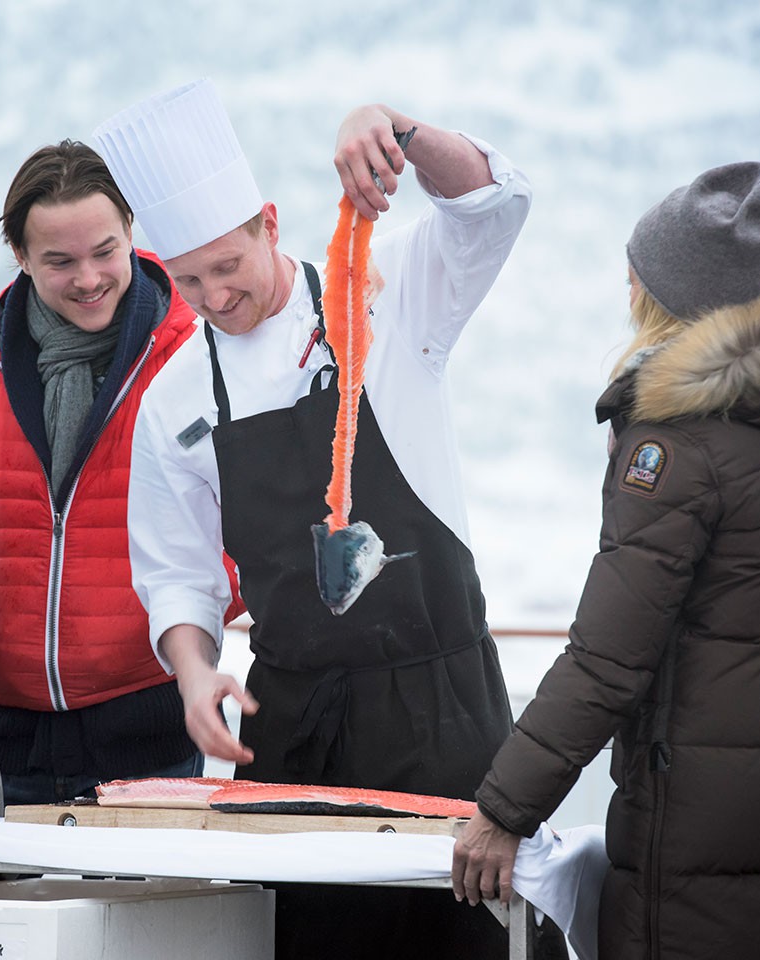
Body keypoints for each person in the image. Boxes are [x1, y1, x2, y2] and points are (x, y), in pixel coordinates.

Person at [95, 78, 539, 958]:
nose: (216, 297)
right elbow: (176, 574)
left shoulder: (383, 290)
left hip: (440, 706)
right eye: (189, 281)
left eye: (229, 266)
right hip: (295, 723)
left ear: (267, 222)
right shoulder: (174, 399)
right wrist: (193, 675)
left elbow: (495, 205)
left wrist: (400, 131)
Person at [452, 162, 760, 960]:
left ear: (660, 293)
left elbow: (607, 660)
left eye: (638, 267)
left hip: (698, 840)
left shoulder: (673, 444)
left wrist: (503, 811)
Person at [0, 141, 241, 815]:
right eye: (60, 261)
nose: (90, 277)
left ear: (132, 231)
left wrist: (191, 611)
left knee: (142, 925)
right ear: (19, 255)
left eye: (105, 250)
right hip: (1, 734)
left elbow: (262, 515)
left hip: (150, 733)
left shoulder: (200, 361)